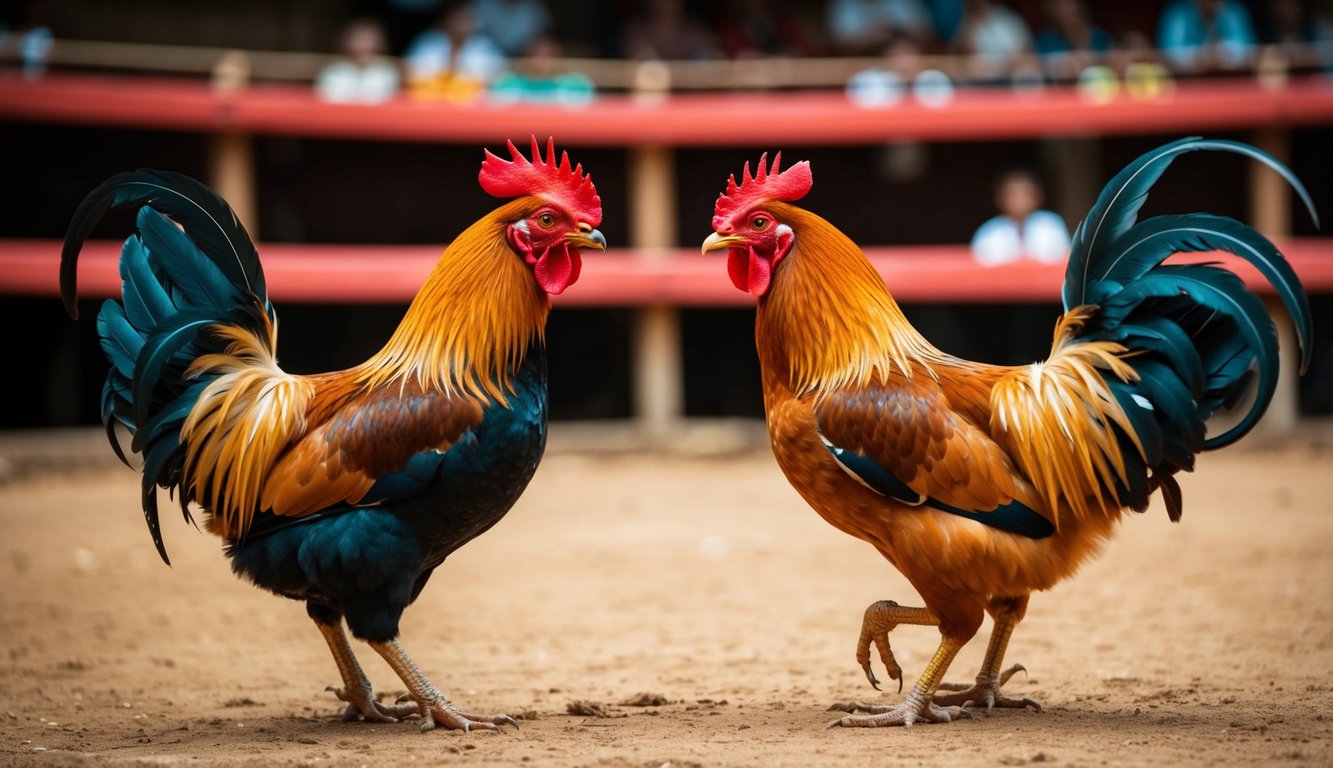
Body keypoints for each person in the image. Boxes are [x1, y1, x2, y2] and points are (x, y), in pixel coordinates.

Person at [403, 2, 507, 102]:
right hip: (429, 104)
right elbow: (408, 75)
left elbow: (499, 79)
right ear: (445, 20)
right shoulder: (428, 42)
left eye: (466, 19)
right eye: (457, 19)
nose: (461, 24)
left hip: (474, 106)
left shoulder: (485, 46)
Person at [970, 167, 1070, 267]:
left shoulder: (1051, 225)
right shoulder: (989, 232)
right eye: (1012, 195)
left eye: (1025, 194)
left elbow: (1063, 260)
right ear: (999, 199)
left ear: (1038, 197)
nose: (1019, 200)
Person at [1156, 0, 1258, 74]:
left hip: (1231, 83)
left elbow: (1249, 49)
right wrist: (1201, 56)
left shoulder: (1234, 11)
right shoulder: (1178, 12)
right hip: (1187, 84)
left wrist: (1224, 53)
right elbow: (1169, 53)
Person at [314, 17, 401, 104]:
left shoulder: (386, 71)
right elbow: (325, 100)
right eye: (359, 39)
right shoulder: (334, 71)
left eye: (369, 40)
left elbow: (389, 102)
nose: (364, 46)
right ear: (347, 42)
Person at [489, 35, 595, 106]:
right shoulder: (509, 83)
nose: (543, 62)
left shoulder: (575, 84)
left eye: (548, 56)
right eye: (537, 55)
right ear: (527, 56)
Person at [953, 0, 1035, 84]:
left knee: (1027, 71)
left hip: (1010, 70)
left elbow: (1024, 53)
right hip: (982, 74)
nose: (979, 5)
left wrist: (1005, 66)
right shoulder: (969, 25)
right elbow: (964, 55)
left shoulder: (1009, 20)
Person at [1034, 0, 1112, 82]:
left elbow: (1111, 62)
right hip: (1062, 92)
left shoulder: (1099, 37)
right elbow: (1042, 67)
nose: (1071, 8)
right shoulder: (1046, 40)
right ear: (1052, 11)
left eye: (1074, 3)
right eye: (1064, 5)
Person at [622, 0, 721, 60]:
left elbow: (715, 57)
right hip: (654, 91)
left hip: (693, 92)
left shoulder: (696, 30)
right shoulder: (637, 31)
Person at [825, 0, 934, 55]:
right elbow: (840, 44)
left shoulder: (901, 2)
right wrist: (870, 36)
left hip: (902, 61)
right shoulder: (846, 4)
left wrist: (893, 30)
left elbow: (923, 33)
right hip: (859, 65)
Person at [469, 0, 552, 57]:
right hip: (488, 55)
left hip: (523, 59)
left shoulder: (533, 7)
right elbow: (474, 34)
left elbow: (543, 36)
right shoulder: (485, 4)